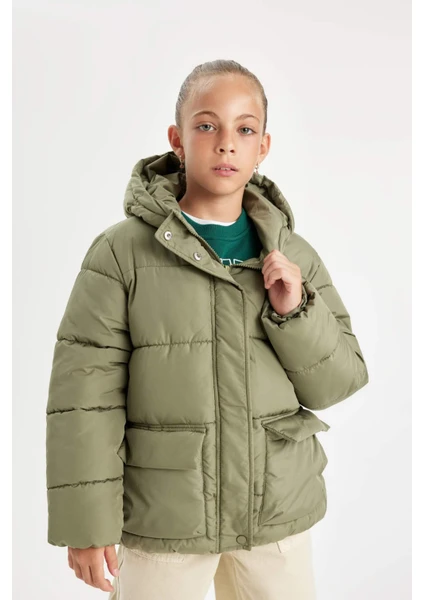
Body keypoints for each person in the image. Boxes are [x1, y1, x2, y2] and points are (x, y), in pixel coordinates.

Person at [45, 59, 369, 599]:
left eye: (245, 129)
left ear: (263, 146)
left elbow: (338, 383)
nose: (226, 144)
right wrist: (85, 523)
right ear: (177, 140)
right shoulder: (121, 254)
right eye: (206, 125)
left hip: (274, 514)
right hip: (167, 516)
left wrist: (294, 311)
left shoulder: (292, 255)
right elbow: (84, 398)